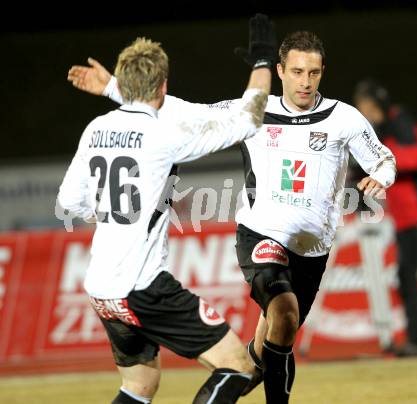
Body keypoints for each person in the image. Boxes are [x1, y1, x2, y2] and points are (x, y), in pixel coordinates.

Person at [67, 30, 396, 404]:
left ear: (323, 72)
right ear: (280, 71)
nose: (305, 81)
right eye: (298, 71)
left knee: (268, 347)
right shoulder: (253, 112)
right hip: (261, 235)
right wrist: (114, 87)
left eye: (314, 73)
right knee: (284, 313)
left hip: (313, 247)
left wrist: (379, 177)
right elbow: (186, 110)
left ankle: (230, 387)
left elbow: (383, 158)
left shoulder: (345, 118)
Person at [58, 14, 276, 404]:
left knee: (139, 387)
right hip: (143, 288)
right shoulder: (163, 135)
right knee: (237, 368)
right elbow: (249, 116)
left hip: (102, 288)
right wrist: (262, 62)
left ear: (124, 85)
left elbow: (69, 203)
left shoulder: (95, 129)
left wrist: (112, 213)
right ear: (163, 86)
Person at [353, 79, 417, 356]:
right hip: (402, 218)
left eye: (365, 105)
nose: (363, 111)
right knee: (406, 276)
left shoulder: (398, 120)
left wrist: (379, 162)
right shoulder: (375, 131)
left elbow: (414, 158)